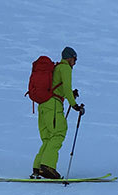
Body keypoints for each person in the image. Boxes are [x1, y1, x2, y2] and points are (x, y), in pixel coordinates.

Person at [33, 46, 84, 179]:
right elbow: (66, 88)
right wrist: (74, 105)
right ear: (69, 58)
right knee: (59, 133)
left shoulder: (55, 68)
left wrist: (70, 95)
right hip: (53, 105)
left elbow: (59, 88)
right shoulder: (65, 68)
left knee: (48, 138)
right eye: (74, 59)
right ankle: (47, 166)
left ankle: (37, 168)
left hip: (43, 105)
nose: (75, 63)